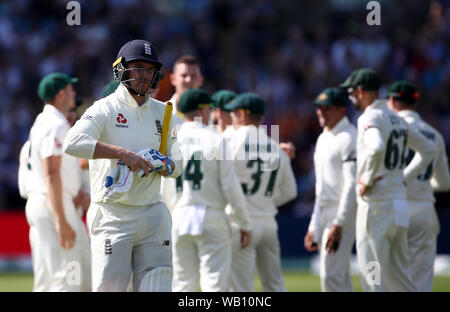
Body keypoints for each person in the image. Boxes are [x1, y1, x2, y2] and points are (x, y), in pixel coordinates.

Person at [63, 39, 182, 292]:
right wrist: (121, 154)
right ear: (121, 69)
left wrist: (165, 164)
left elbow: (179, 163)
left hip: (153, 212)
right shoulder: (104, 108)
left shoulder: (165, 113)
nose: (143, 75)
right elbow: (72, 143)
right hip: (112, 214)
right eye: (138, 67)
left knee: (157, 287)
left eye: (149, 69)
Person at [340, 68, 437, 291]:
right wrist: (404, 177)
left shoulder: (368, 117)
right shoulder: (396, 118)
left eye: (351, 91)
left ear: (361, 91)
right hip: (399, 205)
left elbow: (376, 146)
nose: (350, 96)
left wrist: (368, 178)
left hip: (376, 206)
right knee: (401, 277)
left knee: (372, 274)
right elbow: (429, 150)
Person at [171, 88, 252, 291]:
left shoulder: (171, 140)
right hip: (210, 215)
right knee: (214, 283)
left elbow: (164, 185)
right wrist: (244, 223)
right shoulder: (215, 139)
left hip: (179, 216)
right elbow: (230, 186)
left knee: (182, 284)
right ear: (202, 109)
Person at [224, 93, 297, 292]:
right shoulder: (276, 147)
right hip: (268, 224)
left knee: (240, 288)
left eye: (233, 112)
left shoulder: (231, 142)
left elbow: (221, 181)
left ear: (243, 114)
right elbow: (290, 191)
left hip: (240, 224)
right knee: (275, 284)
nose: (231, 116)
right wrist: (264, 202)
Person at [25, 72, 91, 291]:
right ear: (61, 93)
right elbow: (51, 174)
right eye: (71, 89)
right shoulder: (56, 124)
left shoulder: (42, 121)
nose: (74, 93)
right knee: (67, 276)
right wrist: (61, 222)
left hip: (48, 203)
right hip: (54, 204)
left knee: (56, 277)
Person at [386, 81, 450, 291]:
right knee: (421, 280)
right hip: (424, 211)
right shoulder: (435, 135)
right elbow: (444, 183)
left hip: (392, 209)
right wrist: (422, 185)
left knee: (386, 276)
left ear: (392, 101)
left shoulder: (390, 129)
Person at [304, 87, 357, 292]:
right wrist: (313, 224)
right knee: (338, 277)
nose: (321, 112)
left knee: (331, 274)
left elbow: (351, 184)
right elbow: (321, 187)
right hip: (326, 211)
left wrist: (339, 223)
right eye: (319, 108)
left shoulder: (349, 137)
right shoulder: (323, 137)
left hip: (341, 212)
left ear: (342, 110)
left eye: (327, 108)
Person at [161, 55, 204, 213]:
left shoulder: (212, 117)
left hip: (204, 204)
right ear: (172, 79)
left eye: (193, 76)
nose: (188, 80)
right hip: (170, 205)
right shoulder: (160, 114)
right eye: (184, 75)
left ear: (201, 80)